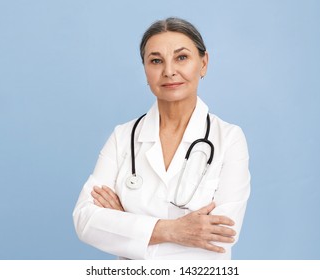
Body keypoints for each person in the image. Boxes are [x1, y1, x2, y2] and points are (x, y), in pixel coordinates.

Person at [73, 17, 250, 260]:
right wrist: (173, 231)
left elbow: (220, 234)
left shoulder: (229, 139)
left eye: (182, 57)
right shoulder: (122, 137)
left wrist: (125, 225)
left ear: (204, 63)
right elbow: (85, 220)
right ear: (145, 69)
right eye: (156, 61)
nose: (169, 71)